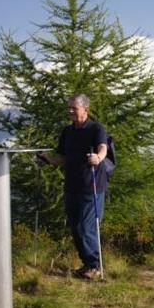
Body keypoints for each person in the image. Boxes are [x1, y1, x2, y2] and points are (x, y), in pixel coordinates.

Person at [37, 94, 109, 280]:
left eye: (74, 108)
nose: (70, 111)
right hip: (72, 186)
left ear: (86, 109)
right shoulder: (67, 132)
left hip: (91, 185)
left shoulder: (96, 128)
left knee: (87, 227)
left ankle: (96, 266)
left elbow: (103, 147)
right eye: (68, 108)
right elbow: (63, 159)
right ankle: (88, 265)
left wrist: (98, 158)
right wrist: (48, 159)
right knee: (76, 228)